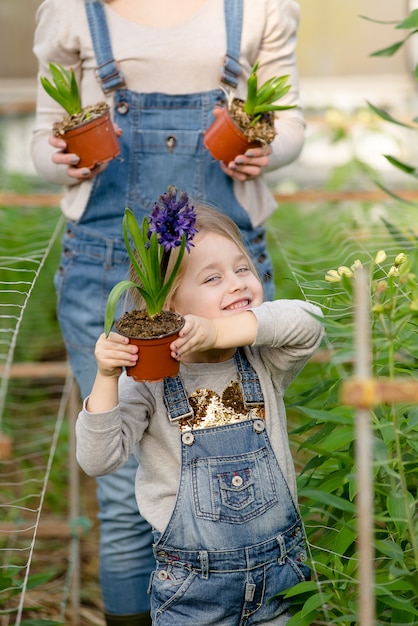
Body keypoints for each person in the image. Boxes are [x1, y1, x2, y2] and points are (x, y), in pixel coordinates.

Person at [31, 1, 305, 623]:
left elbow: (287, 124)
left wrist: (267, 149)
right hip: (108, 264)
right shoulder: (71, 12)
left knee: (246, 445)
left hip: (222, 279)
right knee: (124, 488)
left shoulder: (259, 9)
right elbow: (42, 139)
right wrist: (62, 158)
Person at [76, 205, 324, 626]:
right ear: (169, 303)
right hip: (193, 589)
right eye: (213, 278)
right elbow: (99, 459)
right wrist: (105, 377)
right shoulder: (147, 381)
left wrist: (218, 331)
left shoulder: (263, 359)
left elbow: (309, 321)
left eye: (243, 269)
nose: (237, 284)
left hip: (282, 575)